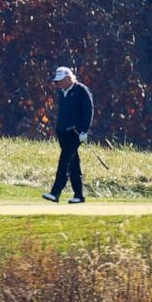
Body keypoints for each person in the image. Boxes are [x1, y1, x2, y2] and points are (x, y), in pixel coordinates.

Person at [43, 66, 93, 204]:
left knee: (65, 160)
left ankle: (55, 192)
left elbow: (88, 111)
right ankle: (79, 195)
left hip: (75, 133)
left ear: (68, 78)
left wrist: (84, 131)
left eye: (60, 81)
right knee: (73, 163)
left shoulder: (81, 90)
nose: (58, 84)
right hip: (62, 132)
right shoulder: (62, 93)